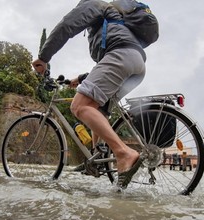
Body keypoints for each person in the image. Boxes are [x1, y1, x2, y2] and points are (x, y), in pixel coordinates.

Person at [32, 0, 149, 189]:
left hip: (121, 56)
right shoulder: (111, 21)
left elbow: (66, 26)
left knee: (80, 107)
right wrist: (76, 80)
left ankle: (123, 153)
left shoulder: (94, 4)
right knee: (98, 109)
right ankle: (97, 160)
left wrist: (43, 57)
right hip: (136, 63)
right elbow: (103, 67)